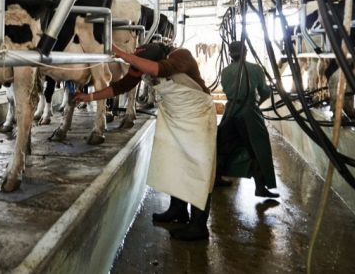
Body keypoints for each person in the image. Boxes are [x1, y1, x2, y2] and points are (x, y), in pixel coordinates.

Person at [75, 42, 216, 241]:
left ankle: (199, 226)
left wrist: (123, 54)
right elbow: (120, 87)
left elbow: (160, 69)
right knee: (176, 163)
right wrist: (88, 96)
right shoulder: (147, 65)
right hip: (176, 115)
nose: (141, 71)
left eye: (142, 65)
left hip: (198, 115)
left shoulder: (182, 55)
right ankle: (178, 210)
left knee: (197, 169)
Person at [216, 41, 279, 198]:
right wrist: (255, 102)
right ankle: (260, 187)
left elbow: (226, 89)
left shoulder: (225, 71)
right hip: (249, 113)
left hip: (230, 112)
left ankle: (216, 178)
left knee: (222, 146)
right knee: (257, 149)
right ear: (245, 53)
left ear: (230, 54)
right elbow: (265, 91)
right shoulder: (256, 69)